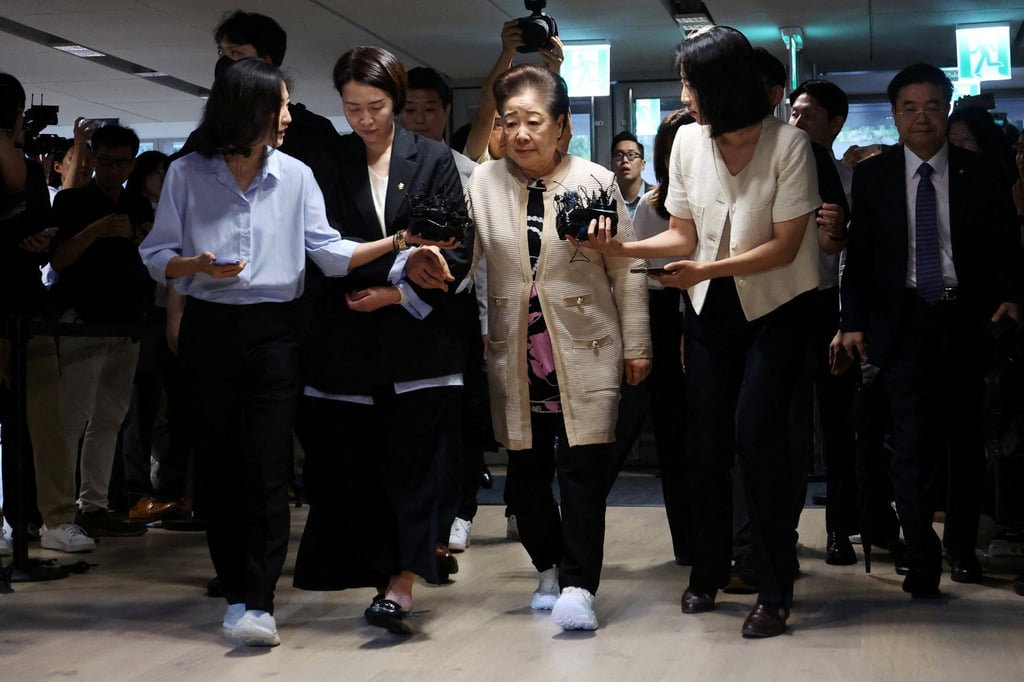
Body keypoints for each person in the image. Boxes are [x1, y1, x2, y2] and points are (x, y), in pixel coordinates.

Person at [139, 58, 452, 647]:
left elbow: (330, 254)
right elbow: (158, 256)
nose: (287, 117)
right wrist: (197, 266)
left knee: (267, 468)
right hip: (210, 328)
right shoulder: (187, 172)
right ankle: (235, 592)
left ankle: (259, 603)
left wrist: (400, 241)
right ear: (246, 109)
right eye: (278, 105)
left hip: (278, 334)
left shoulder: (297, 174)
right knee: (222, 469)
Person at [586, 26, 820, 638]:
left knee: (758, 439)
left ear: (720, 84)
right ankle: (707, 573)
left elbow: (786, 246)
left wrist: (704, 269)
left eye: (689, 82)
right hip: (710, 311)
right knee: (704, 446)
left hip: (777, 311)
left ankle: (773, 585)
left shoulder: (789, 143)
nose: (683, 94)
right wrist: (624, 248)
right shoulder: (688, 141)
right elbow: (682, 235)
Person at [291, 46, 474, 637]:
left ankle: (401, 587)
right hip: (347, 341)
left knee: (414, 469)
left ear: (395, 101)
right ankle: (381, 577)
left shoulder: (434, 157)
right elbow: (325, 252)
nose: (364, 119)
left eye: (375, 106)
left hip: (419, 342)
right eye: (352, 107)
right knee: (358, 470)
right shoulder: (328, 161)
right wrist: (397, 258)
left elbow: (453, 245)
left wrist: (399, 290)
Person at [465, 63, 652, 631]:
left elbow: (628, 268)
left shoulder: (596, 180)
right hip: (516, 355)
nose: (521, 133)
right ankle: (548, 564)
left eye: (534, 121)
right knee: (523, 477)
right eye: (510, 122)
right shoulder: (483, 182)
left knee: (581, 475)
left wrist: (637, 344)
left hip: (585, 350)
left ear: (563, 126)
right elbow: (464, 265)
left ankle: (578, 584)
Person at [839, 63, 1024, 596]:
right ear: (895, 115)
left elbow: (1006, 247)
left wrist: (1012, 296)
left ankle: (961, 549)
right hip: (902, 321)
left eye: (932, 106)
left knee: (964, 444)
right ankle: (920, 556)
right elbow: (863, 259)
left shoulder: (982, 172)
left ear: (946, 110)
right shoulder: (873, 178)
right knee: (911, 445)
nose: (921, 118)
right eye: (909, 107)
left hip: (967, 320)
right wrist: (852, 323)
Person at [50, 123, 154, 540]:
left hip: (126, 320)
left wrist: (131, 234)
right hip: (83, 319)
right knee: (74, 416)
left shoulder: (138, 205)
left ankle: (93, 505)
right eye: (107, 161)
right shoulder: (72, 202)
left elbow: (155, 255)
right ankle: (59, 508)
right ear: (92, 158)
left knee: (110, 415)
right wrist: (95, 231)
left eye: (123, 162)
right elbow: (59, 260)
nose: (114, 170)